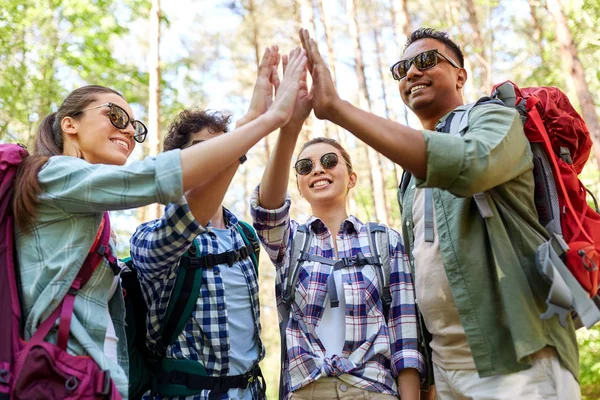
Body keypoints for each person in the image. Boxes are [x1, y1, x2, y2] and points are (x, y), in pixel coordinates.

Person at [298, 26, 580, 399]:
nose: (412, 72)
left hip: (520, 357)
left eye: (426, 60)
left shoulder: (496, 119)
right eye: (402, 69)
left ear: (460, 75)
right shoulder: (408, 178)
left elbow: (470, 165)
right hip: (447, 368)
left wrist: (338, 109)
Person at [13, 46, 306, 399]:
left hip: (90, 383)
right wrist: (266, 119)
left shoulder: (89, 212)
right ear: (69, 123)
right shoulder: (54, 175)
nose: (128, 133)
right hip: (61, 381)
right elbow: (159, 184)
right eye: (115, 117)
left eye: (134, 127)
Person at [250, 51, 424, 400]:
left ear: (352, 177)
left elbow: (405, 337)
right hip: (305, 391)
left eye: (329, 161)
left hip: (374, 391)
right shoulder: (290, 243)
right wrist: (290, 127)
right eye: (305, 167)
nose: (318, 169)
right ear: (298, 185)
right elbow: (267, 211)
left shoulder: (384, 242)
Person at [128, 46, 285, 400]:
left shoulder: (244, 235)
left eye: (222, 149)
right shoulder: (148, 238)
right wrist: (250, 127)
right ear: (176, 165)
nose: (214, 159)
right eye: (202, 151)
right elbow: (183, 224)